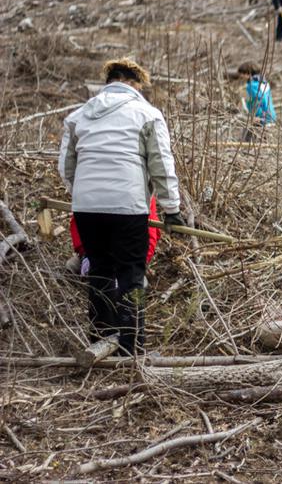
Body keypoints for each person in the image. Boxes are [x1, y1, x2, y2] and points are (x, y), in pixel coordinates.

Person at [58, 58, 183, 355]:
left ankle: (101, 337)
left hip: (87, 207)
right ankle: (131, 346)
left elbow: (66, 166)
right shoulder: (147, 114)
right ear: (134, 83)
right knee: (131, 275)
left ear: (110, 80)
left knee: (100, 270)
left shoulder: (79, 115)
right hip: (128, 207)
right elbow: (161, 165)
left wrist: (84, 193)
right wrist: (171, 207)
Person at [66, 196, 161, 276]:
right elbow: (79, 222)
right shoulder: (93, 185)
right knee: (73, 265)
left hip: (128, 254)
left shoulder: (141, 191)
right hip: (96, 248)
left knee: (133, 284)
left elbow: (150, 233)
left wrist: (139, 262)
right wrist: (85, 253)